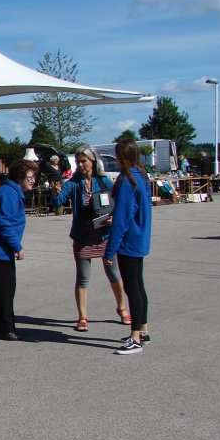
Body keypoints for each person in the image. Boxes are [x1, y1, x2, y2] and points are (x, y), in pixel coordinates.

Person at [49, 146, 131, 332]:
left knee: (114, 274)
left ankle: (122, 308)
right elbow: (58, 202)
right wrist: (55, 192)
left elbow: (117, 203)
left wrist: (113, 218)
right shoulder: (73, 183)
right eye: (78, 161)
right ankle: (83, 317)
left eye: (83, 161)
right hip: (83, 236)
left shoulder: (104, 182)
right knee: (83, 278)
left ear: (93, 161)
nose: (80, 164)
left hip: (104, 235)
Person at [103, 139, 152, 355]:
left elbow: (122, 218)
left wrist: (110, 249)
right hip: (140, 238)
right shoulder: (142, 177)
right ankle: (143, 330)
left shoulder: (127, 180)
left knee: (132, 288)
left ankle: (135, 338)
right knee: (138, 286)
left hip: (128, 241)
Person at [0, 159, 38, 341]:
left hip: (0, 247)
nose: (33, 180)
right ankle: (4, 329)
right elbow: (3, 223)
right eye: (30, 176)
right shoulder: (9, 194)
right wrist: (17, 247)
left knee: (4, 287)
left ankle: (0, 326)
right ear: (20, 177)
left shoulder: (13, 192)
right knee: (5, 288)